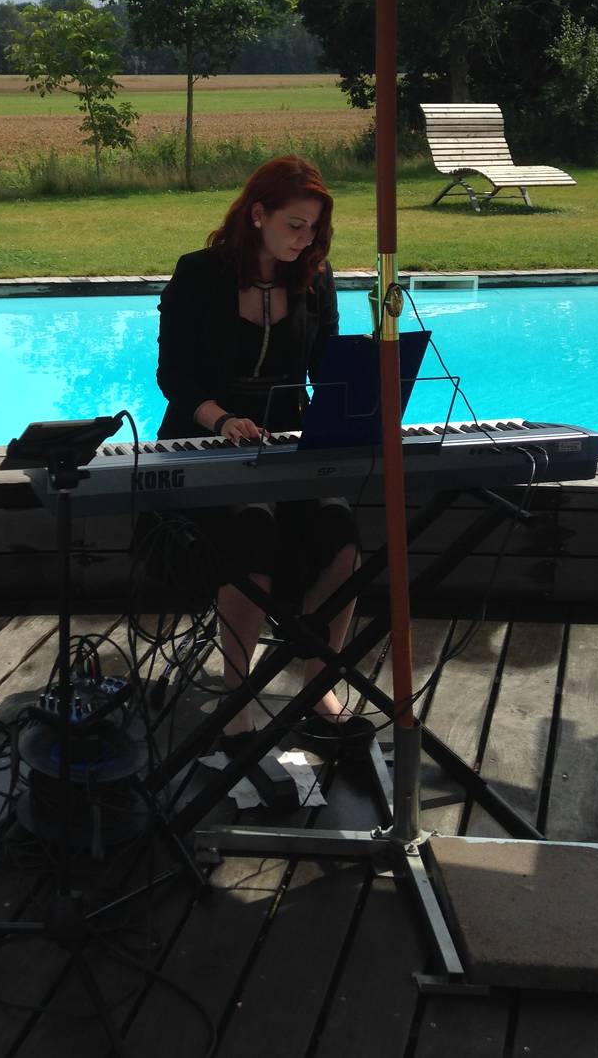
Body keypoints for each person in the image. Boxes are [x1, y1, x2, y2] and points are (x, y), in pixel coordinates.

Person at [156, 154, 374, 762]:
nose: (305, 239)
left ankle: (319, 688)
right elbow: (173, 375)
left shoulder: (315, 278)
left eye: (314, 229)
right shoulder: (199, 274)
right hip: (204, 439)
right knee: (251, 532)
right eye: (294, 225)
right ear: (258, 215)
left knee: (341, 541)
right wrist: (222, 419)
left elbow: (326, 369)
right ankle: (238, 697)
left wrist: (359, 391)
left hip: (288, 444)